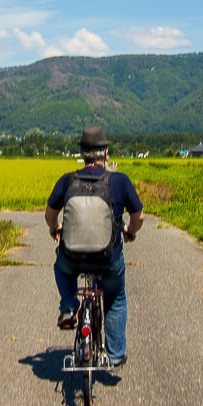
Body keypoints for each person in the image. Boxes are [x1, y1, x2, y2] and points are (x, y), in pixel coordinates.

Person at [45, 125, 144, 367]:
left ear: (82, 152)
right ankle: (115, 354)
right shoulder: (119, 181)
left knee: (61, 267)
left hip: (72, 256)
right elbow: (138, 215)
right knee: (116, 298)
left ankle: (69, 305)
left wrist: (55, 228)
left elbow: (50, 214)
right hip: (108, 259)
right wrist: (130, 231)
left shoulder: (67, 181)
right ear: (106, 152)